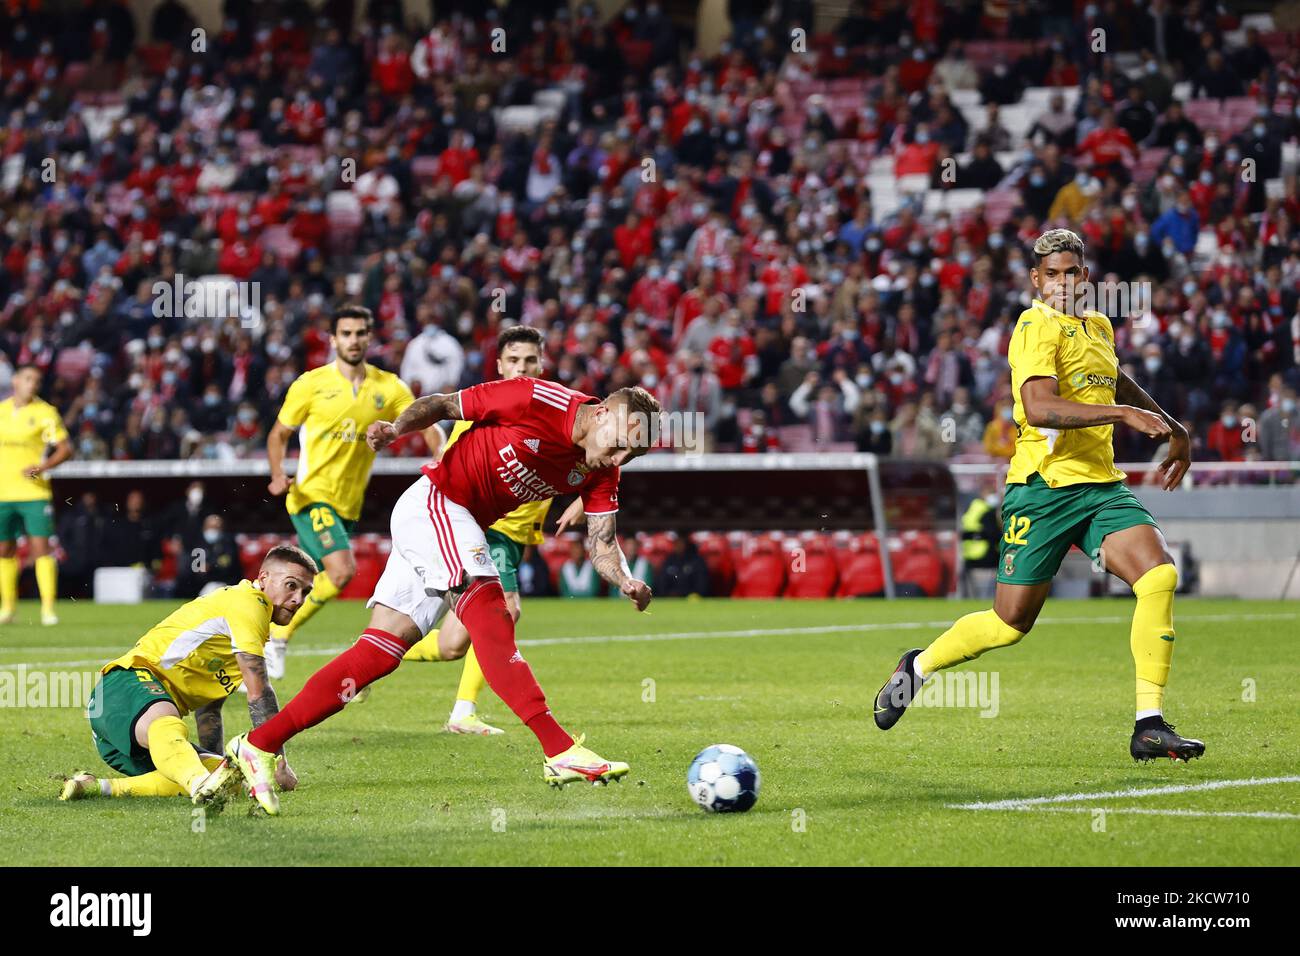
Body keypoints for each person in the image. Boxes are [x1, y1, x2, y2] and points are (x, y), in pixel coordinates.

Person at [222, 378, 661, 814]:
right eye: (620, 445)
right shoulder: (536, 398)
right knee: (491, 609)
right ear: (602, 412)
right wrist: (397, 429)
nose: (619, 458)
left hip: (454, 522)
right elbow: (444, 404)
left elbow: (602, 543)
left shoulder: (602, 467)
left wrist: (624, 580)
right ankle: (559, 749)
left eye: (631, 455)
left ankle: (257, 745)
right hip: (440, 502)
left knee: (379, 653)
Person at [874, 229, 1202, 763]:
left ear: (1085, 277)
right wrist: (1123, 415)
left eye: (1072, 272)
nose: (1063, 283)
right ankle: (918, 667)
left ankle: (1148, 724)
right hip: (1042, 490)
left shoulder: (1097, 325)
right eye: (1053, 274)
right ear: (1036, 280)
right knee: (1009, 624)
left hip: (1099, 488)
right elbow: (1041, 406)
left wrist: (1173, 427)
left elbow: (1112, 380)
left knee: (1159, 575)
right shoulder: (1034, 325)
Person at [58, 546, 315, 809]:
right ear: (263, 579)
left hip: (131, 738)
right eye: (291, 585)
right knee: (168, 724)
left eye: (306, 592)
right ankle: (199, 783)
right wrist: (276, 762)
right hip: (126, 685)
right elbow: (260, 693)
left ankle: (97, 787)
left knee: (233, 779)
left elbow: (209, 709)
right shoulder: (250, 604)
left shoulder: (245, 623)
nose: (298, 599)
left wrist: (216, 762)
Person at [402, 326, 557, 737]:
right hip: (488, 530)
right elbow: (452, 466)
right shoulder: (484, 406)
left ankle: (386, 651)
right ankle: (464, 712)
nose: (522, 368)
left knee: (453, 644)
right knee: (508, 608)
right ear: (499, 365)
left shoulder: (554, 406)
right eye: (514, 361)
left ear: (541, 363)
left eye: (530, 361)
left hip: (516, 535)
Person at [263, 305, 434, 680]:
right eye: (346, 333)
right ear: (333, 339)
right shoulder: (311, 384)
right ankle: (277, 635)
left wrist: (442, 455)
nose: (353, 340)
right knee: (341, 572)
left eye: (360, 333)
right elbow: (278, 434)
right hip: (311, 495)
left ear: (369, 338)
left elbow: (423, 418)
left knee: (302, 579)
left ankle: (242, 619)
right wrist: (278, 473)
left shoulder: (388, 387)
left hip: (347, 505)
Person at [0, 365, 73, 625]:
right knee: (4, 549)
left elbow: (65, 449)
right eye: (29, 378)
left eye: (38, 380)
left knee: (41, 548)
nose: (33, 384)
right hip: (2, 492)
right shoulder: (2, 411)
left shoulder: (45, 413)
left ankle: (48, 609)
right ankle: (7, 609)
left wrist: (42, 468)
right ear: (16, 381)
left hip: (34, 492)